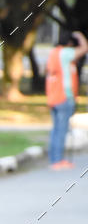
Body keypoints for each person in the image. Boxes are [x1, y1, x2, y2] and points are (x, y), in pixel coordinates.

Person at [46, 29, 88, 170]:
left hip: (53, 96)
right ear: (70, 43)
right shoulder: (66, 53)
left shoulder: (54, 53)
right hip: (63, 96)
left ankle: (54, 159)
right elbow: (84, 48)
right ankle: (58, 160)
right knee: (62, 130)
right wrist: (80, 36)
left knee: (56, 129)